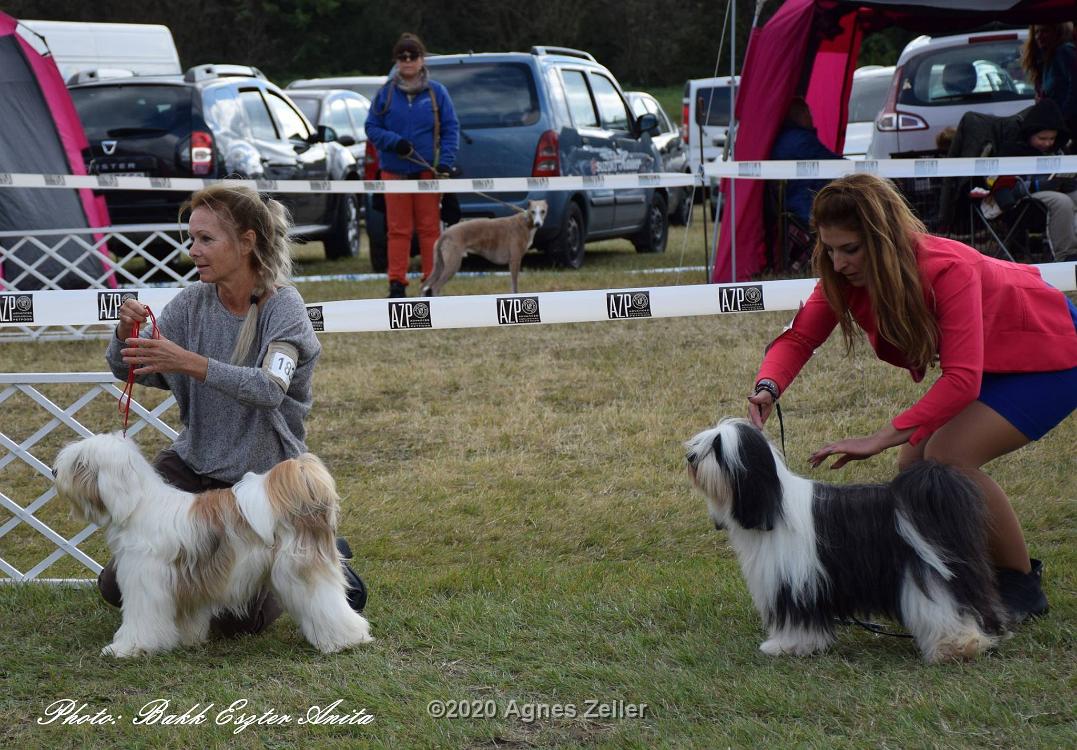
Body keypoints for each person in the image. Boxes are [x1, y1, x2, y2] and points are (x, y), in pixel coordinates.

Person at [747, 173, 1077, 623]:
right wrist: (769, 385)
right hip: (991, 360)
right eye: (829, 249)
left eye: (851, 249)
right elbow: (800, 337)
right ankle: (953, 574)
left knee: (947, 459)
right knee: (915, 468)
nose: (838, 263)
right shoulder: (844, 278)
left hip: (1052, 351)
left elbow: (962, 380)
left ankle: (1019, 581)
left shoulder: (946, 267)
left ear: (881, 240)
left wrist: (880, 437)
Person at [100, 183, 366, 635]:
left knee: (239, 617)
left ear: (247, 242)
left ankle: (315, 553)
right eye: (191, 239)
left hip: (260, 483)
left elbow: (269, 389)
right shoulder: (190, 303)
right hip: (193, 466)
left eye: (207, 239)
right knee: (120, 584)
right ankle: (298, 552)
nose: (193, 250)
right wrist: (123, 335)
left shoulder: (285, 309)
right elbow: (131, 370)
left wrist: (191, 363)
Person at [365, 32, 460, 298]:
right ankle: (397, 282)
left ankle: (431, 283)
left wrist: (447, 163)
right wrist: (394, 142)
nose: (408, 61)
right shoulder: (385, 94)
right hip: (394, 171)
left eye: (413, 56)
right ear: (397, 61)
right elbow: (371, 127)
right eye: (402, 57)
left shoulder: (437, 92)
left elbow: (452, 129)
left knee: (430, 229)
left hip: (426, 170)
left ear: (422, 59)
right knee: (398, 231)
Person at [999, 98, 1077, 259]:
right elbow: (1006, 187)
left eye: (1052, 139)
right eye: (1042, 138)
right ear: (1030, 134)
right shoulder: (1014, 150)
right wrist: (1036, 185)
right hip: (1026, 200)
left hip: (1057, 191)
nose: (1048, 143)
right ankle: (1066, 254)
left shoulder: (1060, 151)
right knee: (1062, 201)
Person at [769, 97, 844, 228]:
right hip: (807, 204)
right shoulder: (801, 140)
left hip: (793, 203)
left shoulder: (784, 139)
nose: (811, 118)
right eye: (809, 113)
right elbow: (835, 164)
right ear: (800, 115)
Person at [1020, 23, 1077, 144]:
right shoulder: (1045, 57)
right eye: (1036, 32)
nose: (1039, 36)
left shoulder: (1064, 51)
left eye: (1044, 31)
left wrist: (1061, 117)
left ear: (1057, 33)